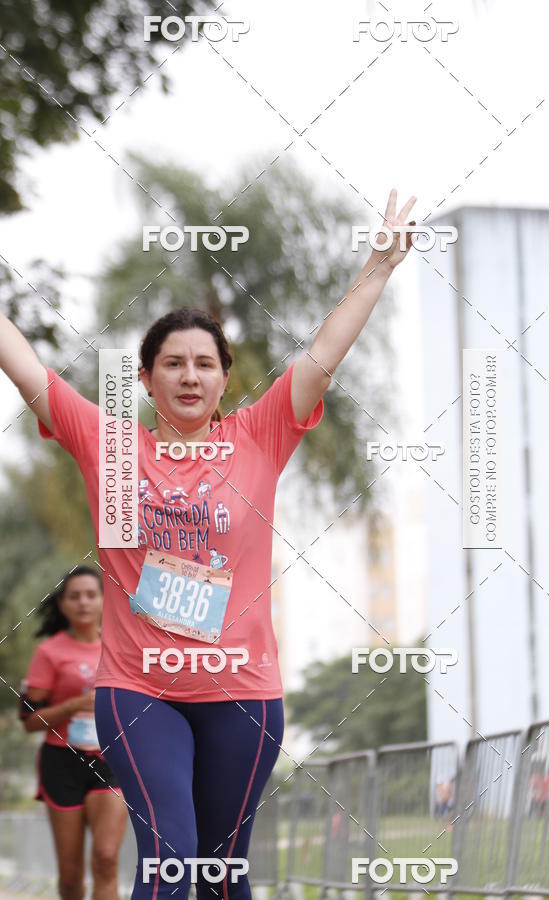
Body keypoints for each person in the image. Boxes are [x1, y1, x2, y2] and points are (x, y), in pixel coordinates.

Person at [1, 188, 415, 899]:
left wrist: (376, 268)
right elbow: (27, 368)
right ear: (145, 377)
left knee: (224, 875)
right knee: (169, 859)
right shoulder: (111, 446)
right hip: (138, 692)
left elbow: (321, 356)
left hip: (244, 695)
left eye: (204, 363)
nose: (189, 374)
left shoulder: (260, 435)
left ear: (226, 378)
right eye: (172, 362)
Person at [19, 566, 128, 900]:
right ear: (63, 604)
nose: (83, 603)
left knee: (107, 860)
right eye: (75, 596)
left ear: (103, 601)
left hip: (110, 761)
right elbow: (29, 720)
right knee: (70, 879)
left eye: (91, 595)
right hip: (61, 762)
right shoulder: (49, 652)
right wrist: (73, 706)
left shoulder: (122, 648)